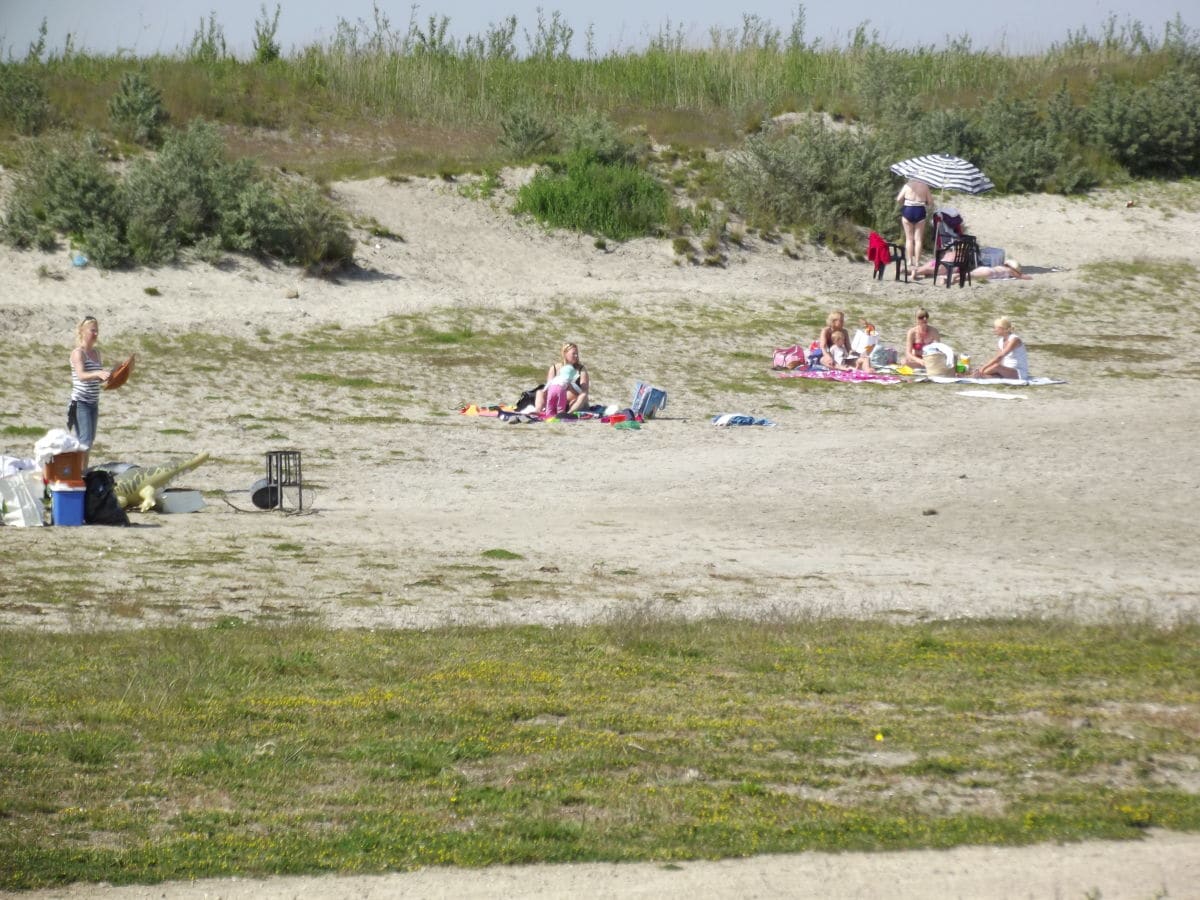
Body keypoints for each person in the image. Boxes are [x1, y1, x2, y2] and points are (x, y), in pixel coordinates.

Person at [67, 315, 111, 449]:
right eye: (92, 330)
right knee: (84, 441)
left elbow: (95, 377)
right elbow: (81, 375)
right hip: (81, 403)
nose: (96, 334)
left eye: (97, 330)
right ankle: (79, 470)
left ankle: (83, 470)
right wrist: (98, 373)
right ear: (82, 331)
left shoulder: (96, 353)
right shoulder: (78, 353)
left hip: (93, 402)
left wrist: (108, 376)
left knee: (89, 441)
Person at [535, 342, 590, 414]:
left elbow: (584, 390)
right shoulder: (554, 368)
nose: (576, 356)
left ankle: (568, 413)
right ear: (565, 354)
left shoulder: (581, 369)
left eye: (577, 353)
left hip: (574, 403)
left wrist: (571, 388)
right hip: (556, 401)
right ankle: (538, 411)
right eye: (573, 354)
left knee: (583, 396)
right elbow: (549, 387)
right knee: (539, 392)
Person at [973, 316, 1030, 380]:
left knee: (996, 367)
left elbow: (999, 357)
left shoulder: (1014, 340)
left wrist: (983, 368)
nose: (994, 330)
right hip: (1005, 370)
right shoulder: (1001, 341)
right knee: (993, 371)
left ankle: (975, 374)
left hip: (1018, 372)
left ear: (1003, 329)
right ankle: (978, 375)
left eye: (996, 328)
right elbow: (999, 359)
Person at [895, 178, 933, 269]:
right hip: (920, 211)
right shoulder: (925, 186)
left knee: (909, 239)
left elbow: (898, 199)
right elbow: (930, 202)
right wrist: (925, 202)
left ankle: (909, 261)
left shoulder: (907, 185)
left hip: (908, 210)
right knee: (918, 239)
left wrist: (903, 204)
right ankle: (917, 262)